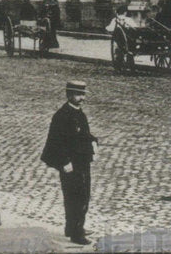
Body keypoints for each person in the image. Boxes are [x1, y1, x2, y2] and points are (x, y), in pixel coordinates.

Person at [41, 80, 99, 245]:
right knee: (75, 198)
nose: (82, 98)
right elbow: (55, 142)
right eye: (78, 95)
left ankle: (72, 227)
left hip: (82, 162)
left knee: (84, 195)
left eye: (83, 95)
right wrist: (64, 162)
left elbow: (84, 134)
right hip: (70, 165)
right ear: (69, 95)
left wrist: (93, 142)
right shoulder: (61, 116)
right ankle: (76, 233)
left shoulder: (79, 113)